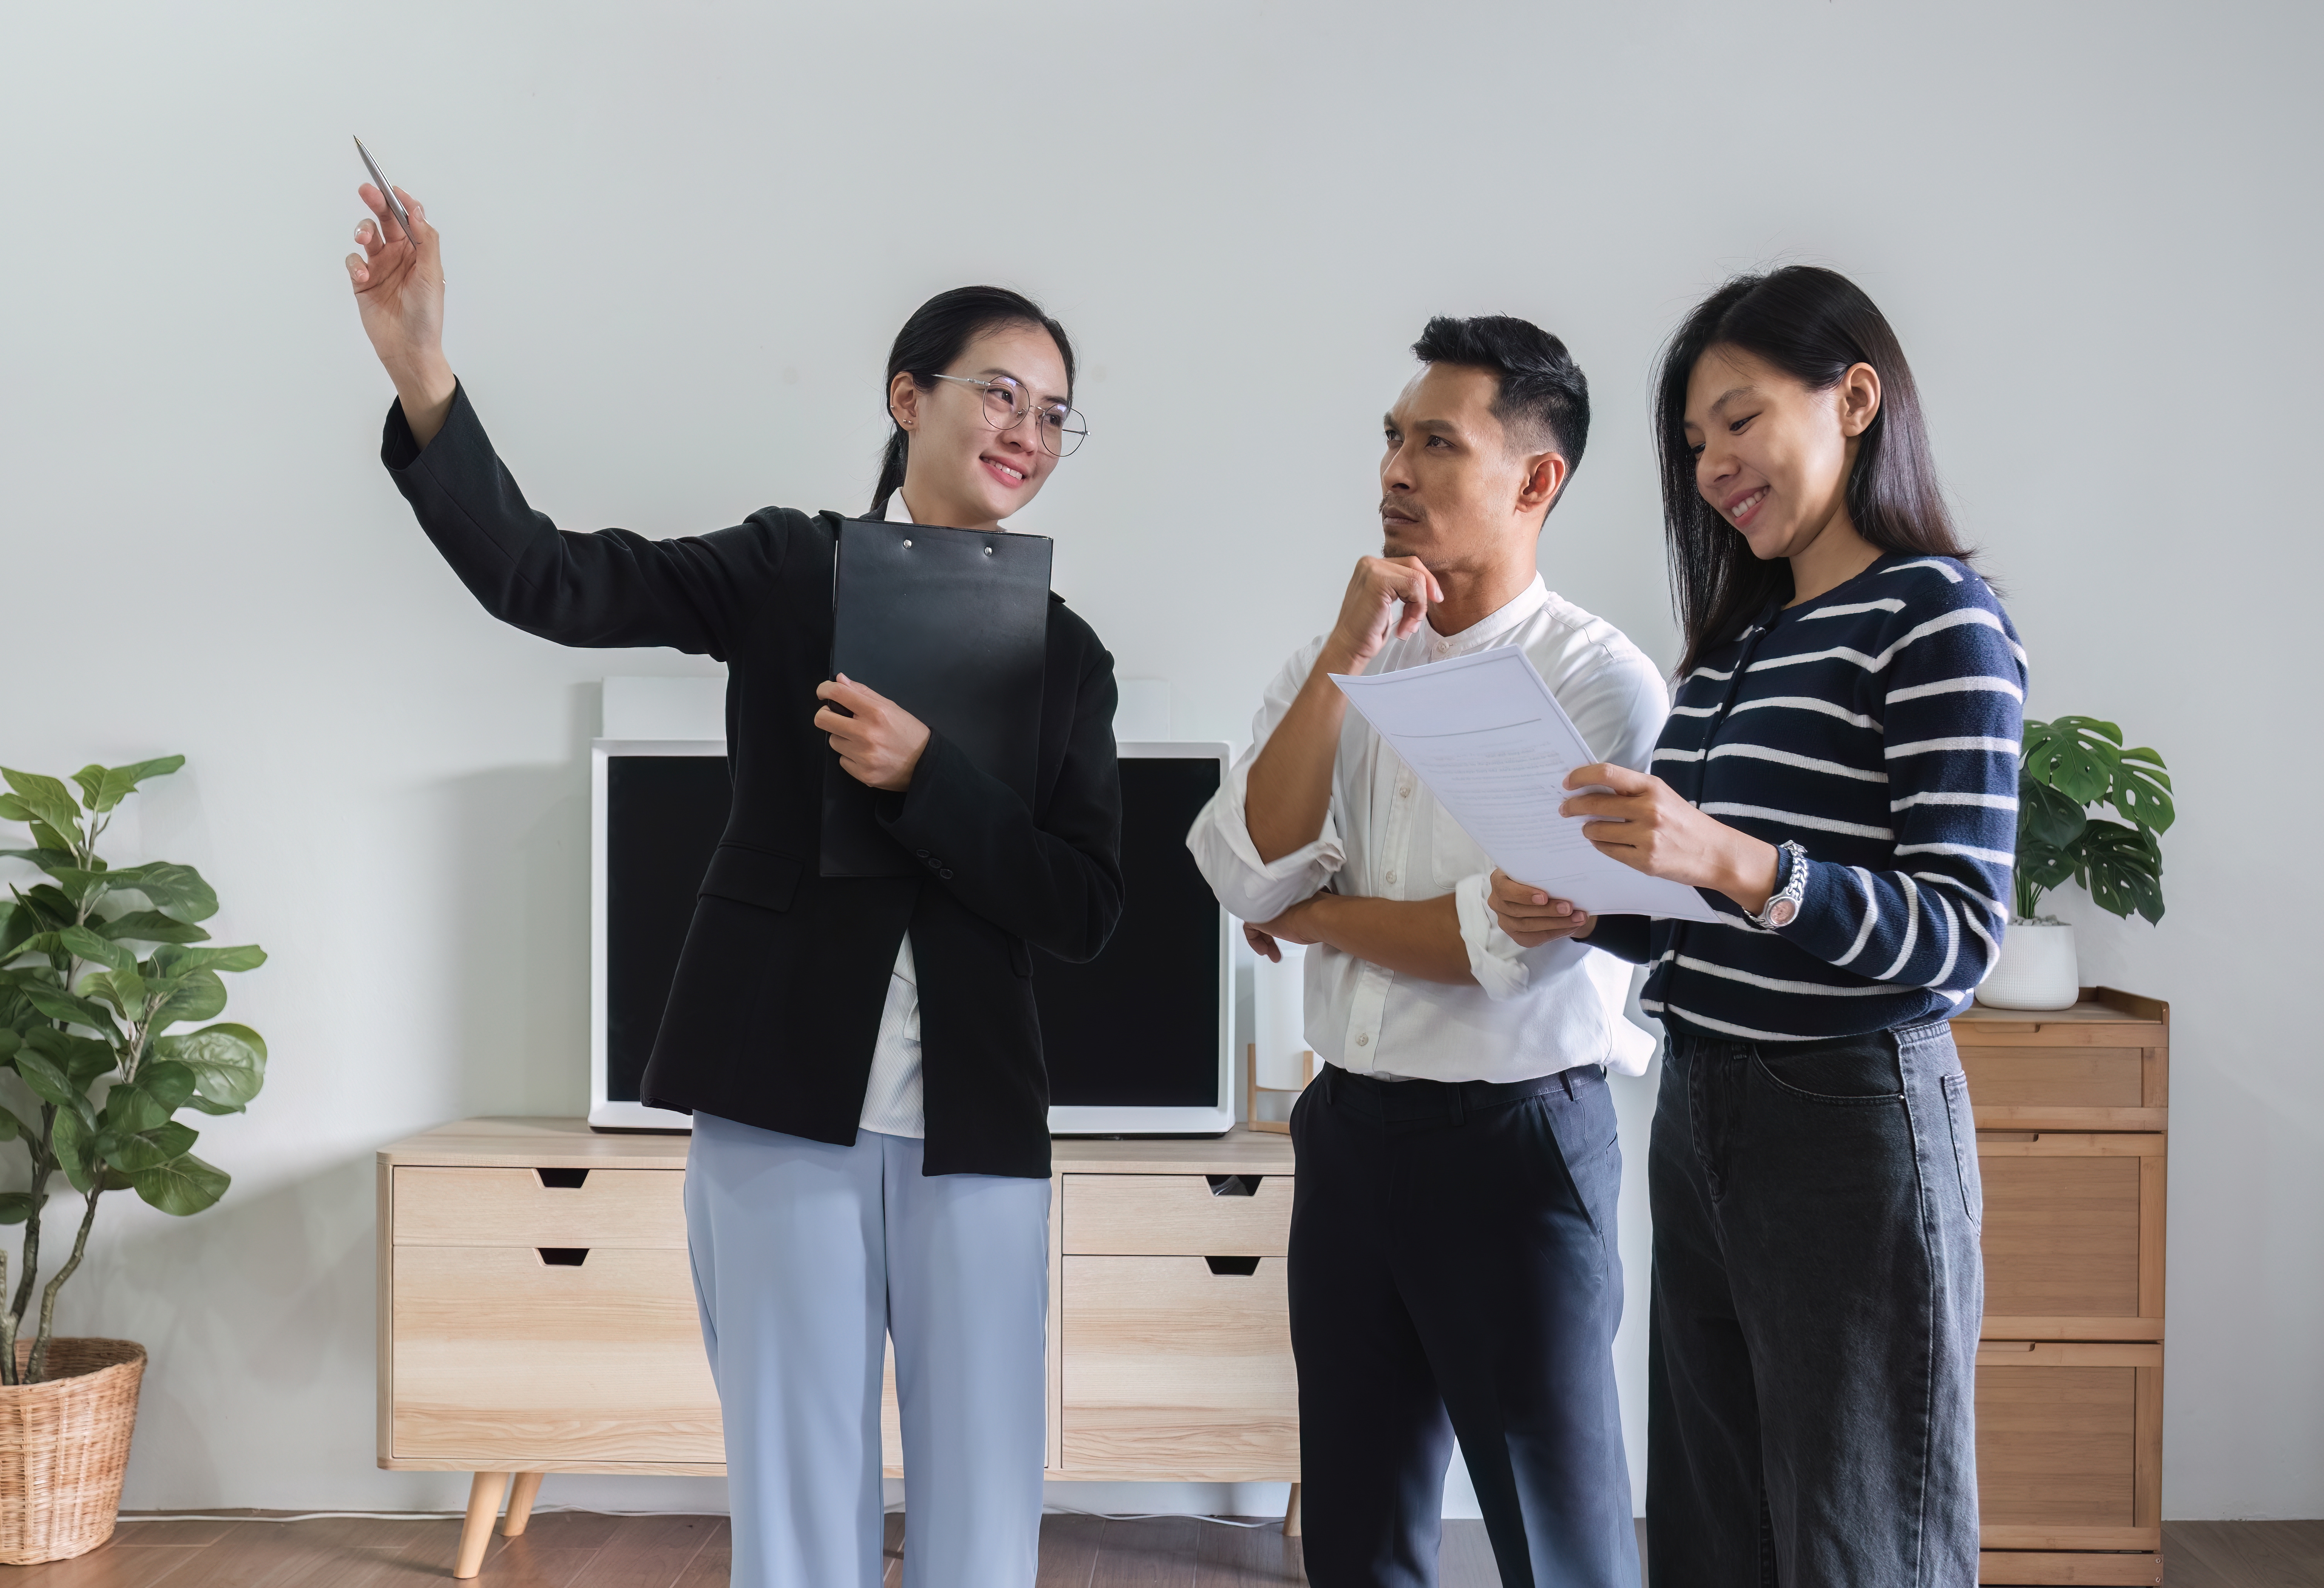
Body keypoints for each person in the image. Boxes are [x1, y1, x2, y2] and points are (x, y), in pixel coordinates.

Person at [343, 178, 1120, 1588]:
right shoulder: (786, 569)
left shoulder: (1068, 655)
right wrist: (424, 373)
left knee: (988, 1495)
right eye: (1001, 394)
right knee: (796, 1487)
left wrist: (931, 773)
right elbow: (552, 580)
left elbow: (1084, 906)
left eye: (1055, 413)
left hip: (981, 1124)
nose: (1028, 432)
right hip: (781, 1110)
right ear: (908, 398)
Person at [1490, 265, 2018, 1586]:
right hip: (1703, 1110)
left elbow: (1958, 936)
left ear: (1854, 398)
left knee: (1859, 1543)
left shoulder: (1936, 614)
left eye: (1739, 420)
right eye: (1695, 444)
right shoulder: (1730, 656)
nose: (1716, 464)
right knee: (1716, 1537)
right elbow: (1702, 924)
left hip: (1850, 1123)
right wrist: (1593, 906)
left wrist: (1733, 856)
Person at [1186, 316, 1661, 1587]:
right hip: (1346, 1134)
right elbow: (1236, 864)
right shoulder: (1329, 659)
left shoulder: (1600, 686)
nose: (1394, 470)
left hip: (1518, 1148)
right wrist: (1348, 657)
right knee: (1356, 1532)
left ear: (1536, 478)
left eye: (1436, 443)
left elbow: (1504, 943)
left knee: (1556, 1542)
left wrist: (1312, 911)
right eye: (1392, 439)